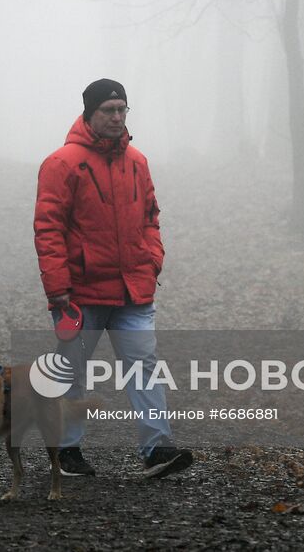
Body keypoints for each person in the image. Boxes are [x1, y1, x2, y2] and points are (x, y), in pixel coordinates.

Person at [33, 78, 194, 479]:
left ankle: (157, 449)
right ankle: (67, 452)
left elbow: (151, 216)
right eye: (109, 110)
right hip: (81, 292)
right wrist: (58, 288)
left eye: (123, 109)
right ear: (90, 113)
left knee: (144, 365)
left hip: (133, 288)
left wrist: (152, 259)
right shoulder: (62, 163)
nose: (117, 117)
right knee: (73, 369)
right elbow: (48, 228)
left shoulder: (137, 161)